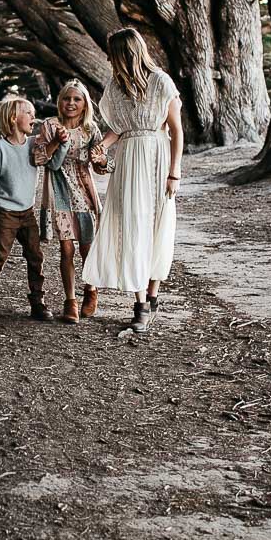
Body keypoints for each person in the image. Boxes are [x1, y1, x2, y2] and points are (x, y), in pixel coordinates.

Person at [82, 29, 183, 331]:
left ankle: (152, 297)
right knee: (132, 225)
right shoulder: (116, 87)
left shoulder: (162, 83)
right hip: (129, 163)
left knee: (157, 227)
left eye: (112, 53)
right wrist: (102, 146)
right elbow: (120, 129)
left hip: (156, 158)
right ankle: (139, 303)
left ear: (126, 53)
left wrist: (174, 172)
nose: (109, 58)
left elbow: (176, 131)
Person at [0, 95, 66, 323]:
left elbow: (49, 159)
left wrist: (59, 141)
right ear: (13, 118)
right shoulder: (1, 147)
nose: (33, 116)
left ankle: (37, 303)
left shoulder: (34, 144)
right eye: (28, 113)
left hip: (27, 213)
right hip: (6, 213)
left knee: (35, 256)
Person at [32, 79, 105, 325]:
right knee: (66, 249)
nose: (71, 103)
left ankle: (91, 289)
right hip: (60, 191)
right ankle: (70, 301)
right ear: (59, 101)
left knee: (86, 247)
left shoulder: (90, 129)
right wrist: (56, 142)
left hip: (84, 192)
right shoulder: (50, 125)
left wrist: (103, 161)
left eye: (77, 99)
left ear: (85, 105)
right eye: (66, 98)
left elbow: (101, 164)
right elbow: (39, 158)